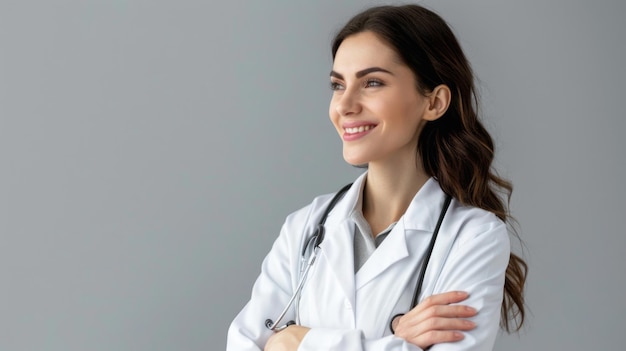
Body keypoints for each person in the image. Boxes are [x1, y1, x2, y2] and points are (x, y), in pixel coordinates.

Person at [227, 4, 526, 351]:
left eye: (372, 82)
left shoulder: (473, 237)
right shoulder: (305, 228)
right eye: (338, 85)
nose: (345, 105)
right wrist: (396, 341)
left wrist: (295, 341)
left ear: (435, 102)